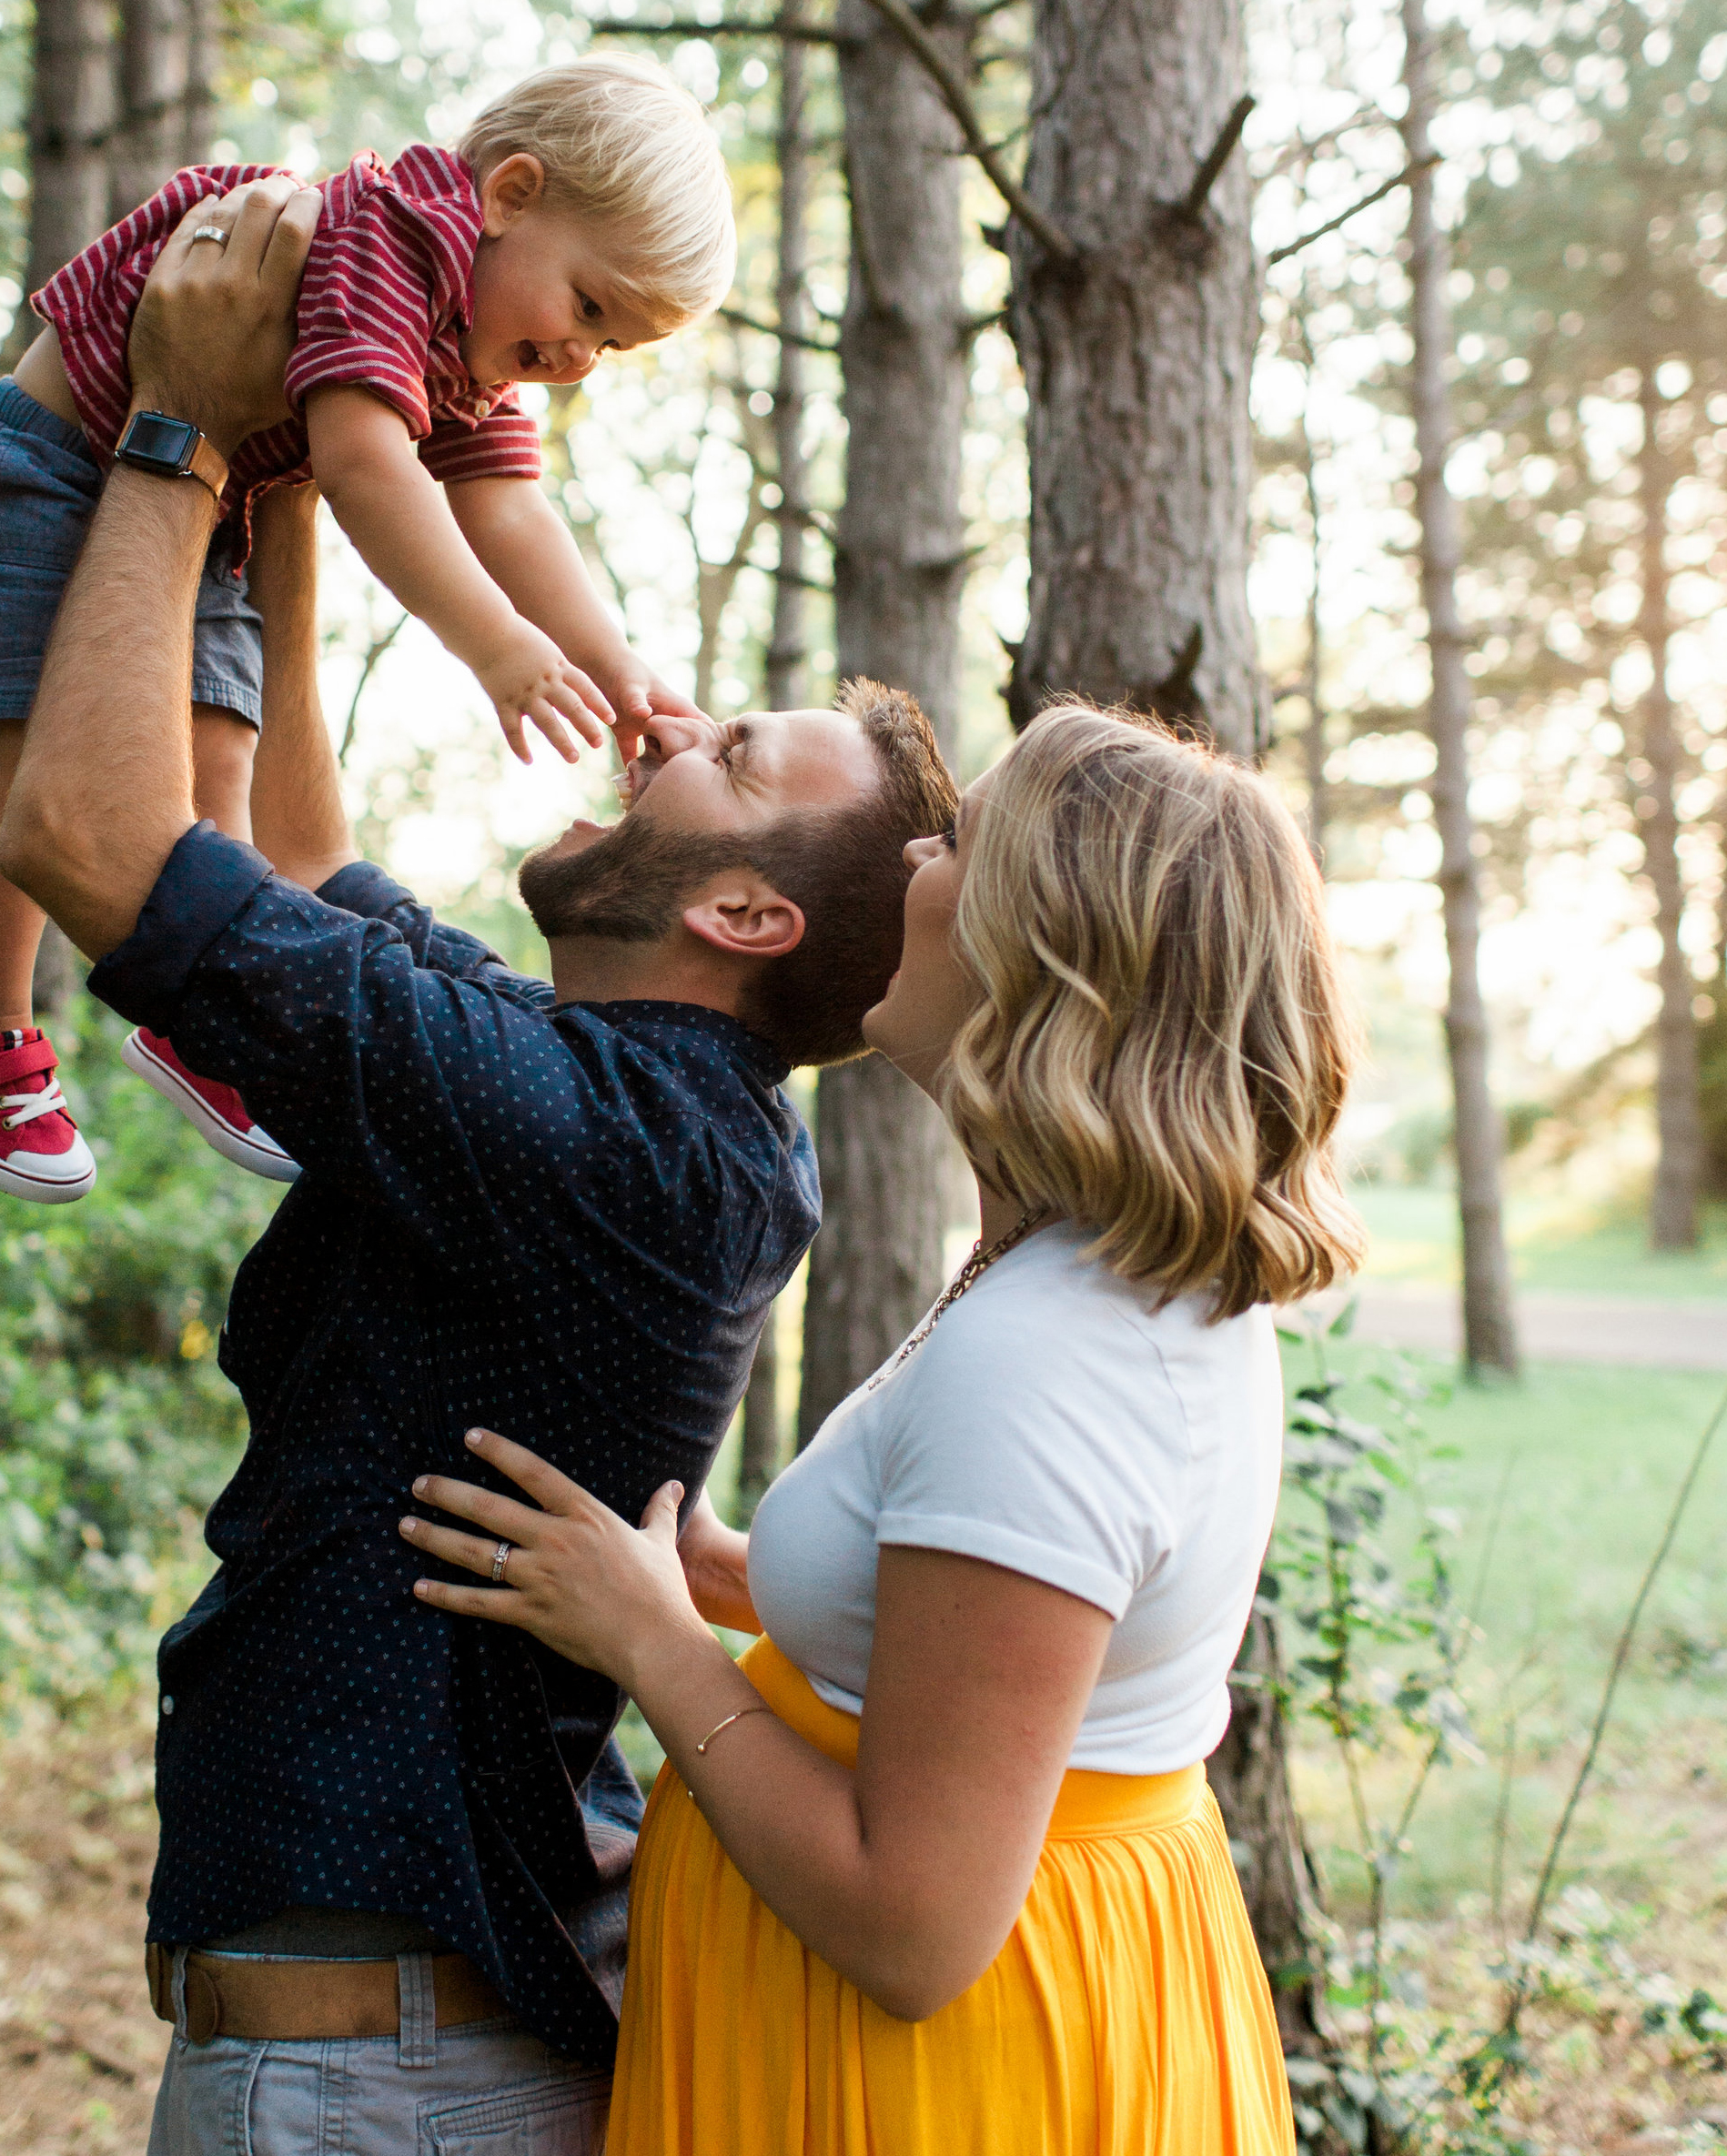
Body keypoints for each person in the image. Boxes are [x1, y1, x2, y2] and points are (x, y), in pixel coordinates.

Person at [0, 180, 957, 2153]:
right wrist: (284, 476)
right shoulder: (609, 1100)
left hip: (370, 2084)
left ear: (753, 917)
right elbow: (274, 878)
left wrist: (172, 426)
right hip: (395, 2057)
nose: (663, 734)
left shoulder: (597, 1145)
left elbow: (94, 844)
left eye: (733, 757)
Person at [399, 705, 1370, 2151]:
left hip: (937, 2082)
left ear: (1047, 950)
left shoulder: (1057, 1361)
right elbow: (965, 1634)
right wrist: (709, 1569)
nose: (913, 853)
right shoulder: (1079, 1276)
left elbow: (913, 1928)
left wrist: (653, 1642)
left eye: (957, 839)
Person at [0, 55, 736, 1205]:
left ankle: (199, 1010)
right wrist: (494, 646)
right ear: (505, 196)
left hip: (196, 505)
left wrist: (617, 666)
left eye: (612, 348)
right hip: (50, 470)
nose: (576, 361)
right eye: (588, 308)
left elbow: (505, 502)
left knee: (219, 762)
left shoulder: (475, 332)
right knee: (39, 757)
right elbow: (360, 463)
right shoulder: (386, 247)